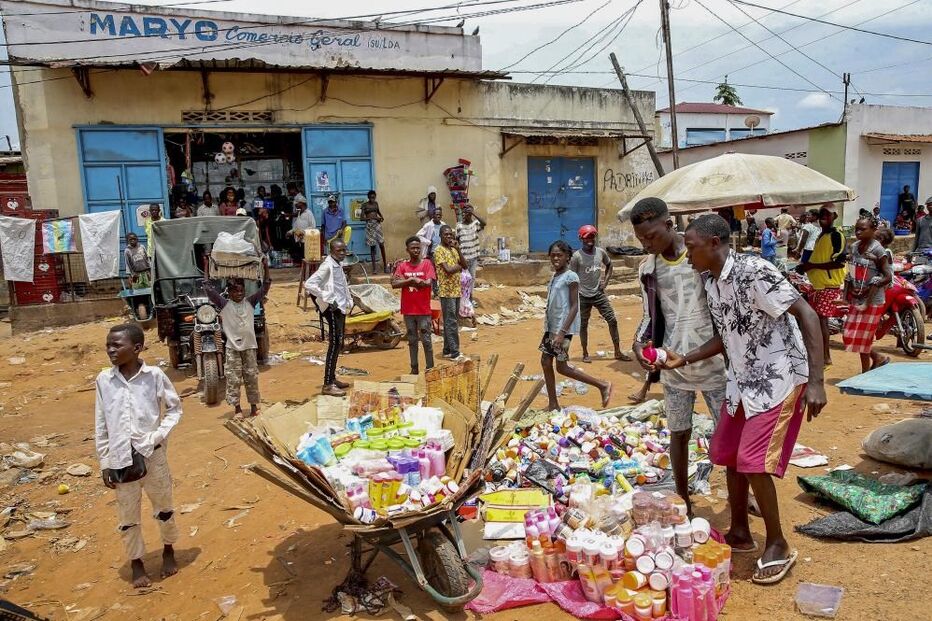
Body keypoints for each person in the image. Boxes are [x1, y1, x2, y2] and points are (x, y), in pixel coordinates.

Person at [662, 214, 826, 586]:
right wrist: (684, 358)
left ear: (715, 243)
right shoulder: (711, 282)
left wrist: (816, 381)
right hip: (742, 381)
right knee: (725, 452)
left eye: (691, 247)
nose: (687, 256)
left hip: (780, 377)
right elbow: (727, 336)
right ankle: (739, 530)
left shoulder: (755, 271)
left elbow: (807, 314)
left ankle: (779, 543)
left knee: (753, 461)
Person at [630, 198, 727, 517]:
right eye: (641, 239)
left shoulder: (699, 254)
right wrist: (640, 344)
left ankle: (741, 492)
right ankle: (682, 497)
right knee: (679, 432)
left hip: (715, 359)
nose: (646, 244)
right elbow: (650, 315)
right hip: (673, 362)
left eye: (651, 236)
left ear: (669, 226)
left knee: (725, 429)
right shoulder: (648, 269)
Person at [95, 323, 182, 589]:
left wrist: (156, 437)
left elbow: (175, 409)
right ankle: (136, 562)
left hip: (153, 457)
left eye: (116, 345)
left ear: (136, 348)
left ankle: (168, 549)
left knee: (164, 507)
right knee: (127, 515)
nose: (110, 349)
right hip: (121, 458)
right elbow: (101, 423)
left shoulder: (154, 376)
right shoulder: (104, 381)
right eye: (108, 344)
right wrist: (105, 462)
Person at [540, 240, 613, 412]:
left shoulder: (571, 276)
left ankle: (602, 385)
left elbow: (574, 306)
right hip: (551, 328)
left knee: (561, 367)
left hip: (561, 329)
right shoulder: (556, 275)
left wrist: (561, 332)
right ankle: (553, 404)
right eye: (553, 255)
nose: (556, 258)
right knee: (545, 362)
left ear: (567, 257)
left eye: (560, 255)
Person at [202, 261, 271, 417]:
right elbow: (208, 288)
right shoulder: (224, 304)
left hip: (250, 347)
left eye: (241, 291)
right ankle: (238, 409)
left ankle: (254, 407)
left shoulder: (250, 303)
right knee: (233, 379)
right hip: (232, 349)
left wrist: (266, 266)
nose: (239, 293)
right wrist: (206, 265)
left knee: (251, 377)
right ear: (230, 293)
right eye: (235, 291)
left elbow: (265, 286)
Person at [569, 224, 627, 363]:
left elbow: (609, 265)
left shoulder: (600, 252)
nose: (590, 239)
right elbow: (571, 277)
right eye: (587, 237)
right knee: (583, 325)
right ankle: (585, 353)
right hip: (583, 296)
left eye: (592, 236)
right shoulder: (576, 257)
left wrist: (605, 282)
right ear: (581, 239)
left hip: (598, 294)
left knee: (612, 320)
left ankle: (617, 351)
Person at [842, 216, 893, 373]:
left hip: (873, 300)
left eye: (862, 229)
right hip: (856, 297)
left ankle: (865, 371)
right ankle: (877, 357)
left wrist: (871, 286)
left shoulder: (878, 250)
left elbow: (887, 276)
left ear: (873, 230)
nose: (858, 232)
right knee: (849, 335)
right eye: (857, 229)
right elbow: (850, 272)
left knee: (864, 338)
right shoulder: (855, 247)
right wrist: (847, 294)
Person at [798, 206, 846, 367]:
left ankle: (825, 356)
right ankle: (820, 354)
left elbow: (839, 263)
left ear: (835, 216)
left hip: (828, 285)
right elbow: (818, 259)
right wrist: (806, 266)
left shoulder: (836, 236)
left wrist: (812, 266)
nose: (823, 217)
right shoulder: (821, 235)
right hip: (817, 285)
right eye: (821, 214)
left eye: (827, 214)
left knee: (821, 320)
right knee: (817, 320)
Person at [304, 239, 353, 396]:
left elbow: (341, 285)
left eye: (344, 250)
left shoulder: (337, 264)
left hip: (340, 307)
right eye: (339, 251)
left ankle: (332, 378)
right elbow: (310, 284)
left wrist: (348, 301)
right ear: (332, 251)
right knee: (335, 343)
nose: (343, 253)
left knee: (338, 342)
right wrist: (327, 297)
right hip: (332, 308)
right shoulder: (327, 265)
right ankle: (327, 384)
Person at [392, 236, 436, 374]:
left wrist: (409, 281)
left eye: (418, 247)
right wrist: (412, 280)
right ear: (407, 250)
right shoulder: (402, 266)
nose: (416, 250)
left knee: (426, 340)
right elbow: (394, 283)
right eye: (413, 248)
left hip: (423, 310)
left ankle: (430, 368)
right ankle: (414, 368)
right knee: (412, 340)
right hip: (409, 310)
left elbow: (428, 283)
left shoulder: (427, 263)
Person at [434, 225, 467, 360]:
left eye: (451, 235)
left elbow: (464, 265)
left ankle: (447, 350)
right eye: (446, 234)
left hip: (456, 289)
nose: (449, 237)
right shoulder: (438, 251)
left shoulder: (454, 250)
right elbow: (448, 270)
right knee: (451, 321)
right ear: (440, 236)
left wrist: (458, 249)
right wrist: (458, 267)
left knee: (452, 320)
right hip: (446, 291)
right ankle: (455, 352)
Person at [456, 204, 485, 286]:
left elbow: (484, 223)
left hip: (474, 257)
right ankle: (464, 297)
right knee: (464, 279)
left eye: (468, 213)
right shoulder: (459, 225)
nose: (465, 215)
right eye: (464, 213)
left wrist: (474, 213)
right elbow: (457, 241)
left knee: (472, 278)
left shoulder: (475, 224)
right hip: (463, 258)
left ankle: (470, 297)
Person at [362, 190, 389, 274]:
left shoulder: (376, 204)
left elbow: (379, 213)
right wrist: (371, 218)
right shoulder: (364, 205)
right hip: (370, 225)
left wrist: (381, 218)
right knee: (372, 246)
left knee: (381, 244)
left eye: (373, 197)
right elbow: (362, 218)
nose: (372, 199)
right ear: (368, 197)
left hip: (377, 225)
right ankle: (374, 269)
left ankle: (385, 266)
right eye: (371, 197)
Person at [286, 194, 316, 261]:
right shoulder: (299, 213)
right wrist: (290, 232)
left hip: (306, 241)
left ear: (302, 203)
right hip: (299, 241)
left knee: (306, 259)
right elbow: (296, 226)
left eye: (297, 203)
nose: (295, 205)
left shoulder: (309, 213)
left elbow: (313, 226)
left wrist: (302, 232)